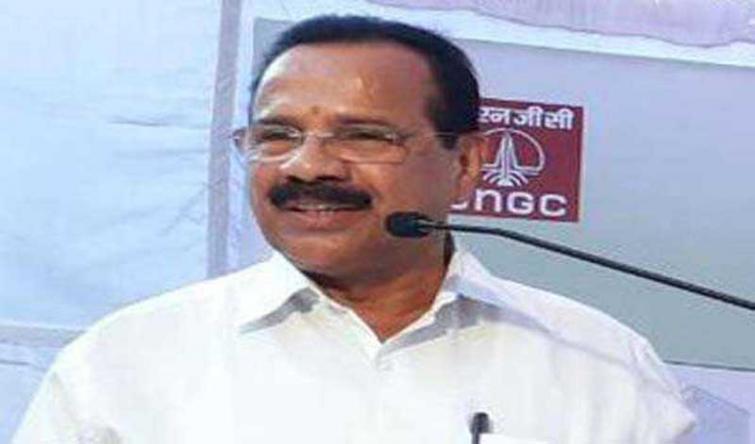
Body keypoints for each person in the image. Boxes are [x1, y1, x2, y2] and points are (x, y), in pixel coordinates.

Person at [14, 15, 695, 443]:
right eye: (277, 135)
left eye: (364, 136)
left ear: (466, 163)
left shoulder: (601, 367)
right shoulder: (124, 362)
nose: (308, 166)